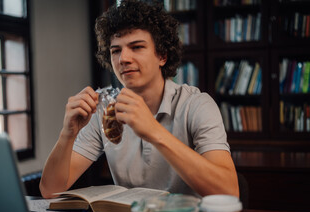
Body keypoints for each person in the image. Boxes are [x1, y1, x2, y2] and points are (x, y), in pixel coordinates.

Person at [40, 0, 239, 199]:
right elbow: (50, 190)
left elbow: (229, 192)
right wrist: (68, 133)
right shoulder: (102, 109)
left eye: (136, 47)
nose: (123, 59)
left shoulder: (197, 105)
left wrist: (153, 130)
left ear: (162, 56)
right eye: (116, 50)